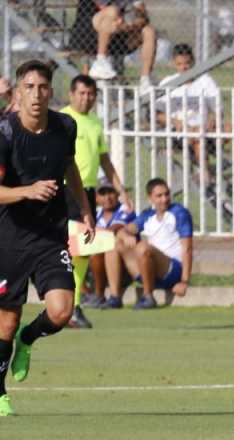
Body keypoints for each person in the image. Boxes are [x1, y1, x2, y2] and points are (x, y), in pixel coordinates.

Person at [0, 60, 96, 417]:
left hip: (50, 236)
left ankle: (29, 338)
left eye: (42, 87)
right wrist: (27, 191)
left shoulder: (64, 126)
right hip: (9, 236)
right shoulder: (5, 133)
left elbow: (69, 166)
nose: (36, 94)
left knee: (61, 311)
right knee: (5, 321)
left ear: (51, 92)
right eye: (29, 87)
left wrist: (84, 209)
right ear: (17, 93)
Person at [60, 74, 133, 328]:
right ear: (71, 94)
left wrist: (121, 190)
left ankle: (72, 306)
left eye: (90, 94)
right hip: (64, 191)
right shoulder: (61, 119)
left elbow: (104, 159)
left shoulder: (94, 122)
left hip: (86, 193)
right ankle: (64, 305)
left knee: (81, 251)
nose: (86, 98)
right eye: (81, 93)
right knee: (66, 250)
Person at [107, 178, 192, 309]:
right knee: (114, 245)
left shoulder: (179, 212)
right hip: (149, 271)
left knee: (142, 247)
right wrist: (125, 236)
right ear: (150, 198)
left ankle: (148, 296)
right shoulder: (148, 215)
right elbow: (122, 231)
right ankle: (114, 297)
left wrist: (185, 281)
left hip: (172, 271)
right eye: (159, 196)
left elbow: (187, 248)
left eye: (167, 194)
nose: (164, 199)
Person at [156, 43, 222, 166]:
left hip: (205, 129)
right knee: (197, 138)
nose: (184, 68)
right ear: (173, 63)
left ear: (193, 62)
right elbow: (157, 114)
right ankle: (205, 176)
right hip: (178, 131)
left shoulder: (205, 80)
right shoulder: (167, 82)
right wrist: (175, 122)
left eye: (187, 63)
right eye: (179, 64)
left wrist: (213, 119)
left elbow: (217, 109)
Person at [70, 0, 156, 87]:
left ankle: (145, 80)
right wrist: (123, 23)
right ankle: (101, 61)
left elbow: (143, 18)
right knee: (113, 11)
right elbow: (105, 9)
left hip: (117, 36)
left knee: (149, 31)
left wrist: (129, 25)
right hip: (87, 33)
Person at [82, 184, 135, 309]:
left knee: (99, 252)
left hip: (123, 267)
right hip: (99, 266)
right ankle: (85, 293)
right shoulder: (96, 213)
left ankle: (99, 295)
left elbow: (114, 228)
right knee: (72, 250)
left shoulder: (125, 210)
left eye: (111, 192)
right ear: (96, 198)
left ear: (118, 195)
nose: (107, 197)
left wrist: (94, 232)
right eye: (103, 193)